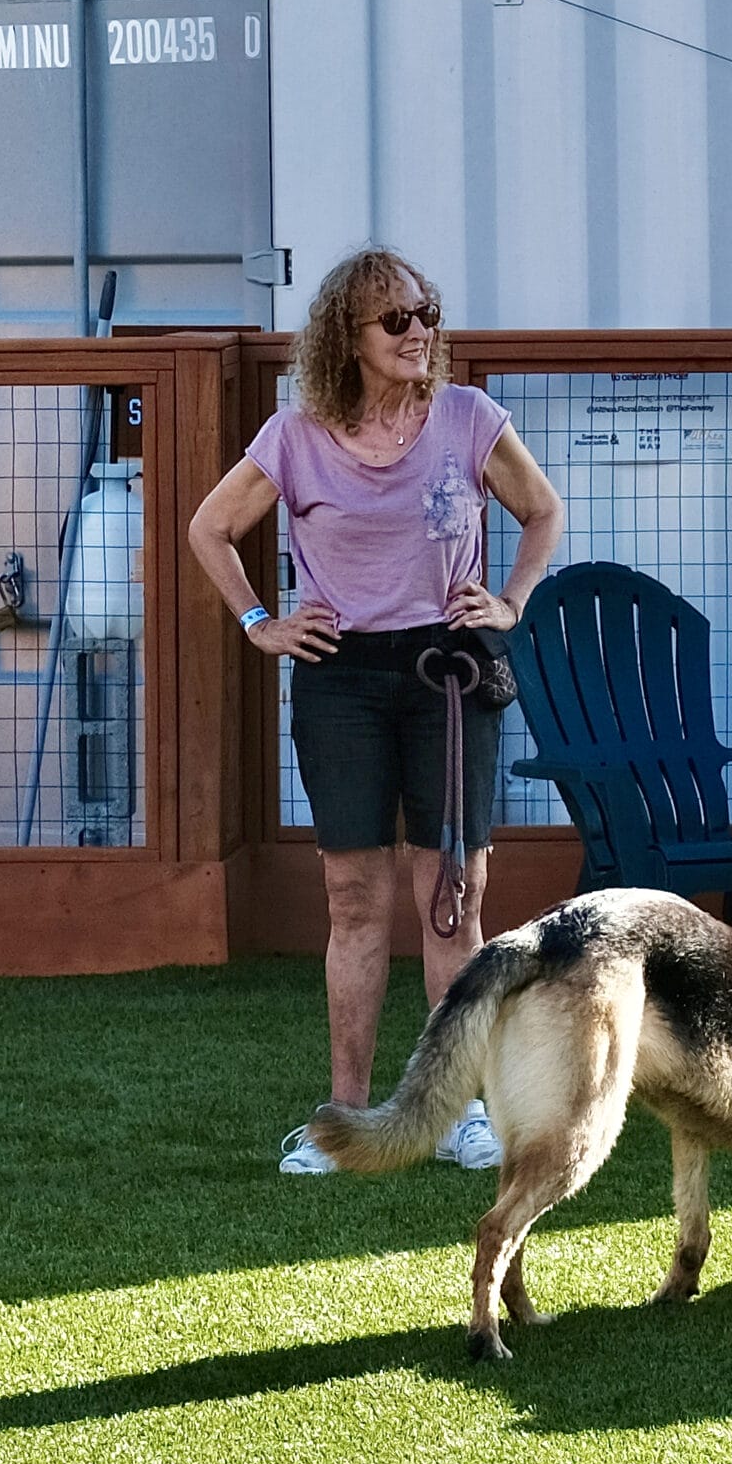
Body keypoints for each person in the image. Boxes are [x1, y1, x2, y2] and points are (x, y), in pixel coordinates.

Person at [189, 247, 564, 1175]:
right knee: (353, 900)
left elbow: (543, 511)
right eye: (396, 320)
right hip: (341, 675)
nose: (418, 333)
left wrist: (509, 602)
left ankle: (455, 1111)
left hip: (448, 670)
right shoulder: (296, 433)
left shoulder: (470, 418)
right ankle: (346, 1114)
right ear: (346, 338)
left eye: (427, 313)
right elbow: (209, 526)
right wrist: (260, 622)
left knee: (452, 899)